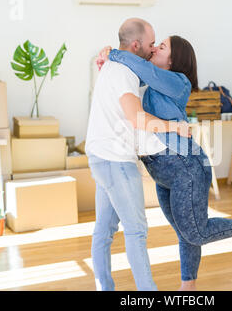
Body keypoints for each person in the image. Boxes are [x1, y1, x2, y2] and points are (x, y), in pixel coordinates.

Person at [98, 35, 232, 291]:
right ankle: (189, 284)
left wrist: (113, 53)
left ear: (173, 60)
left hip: (186, 168)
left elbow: (140, 67)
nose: (154, 48)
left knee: (196, 232)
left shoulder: (179, 82)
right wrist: (109, 61)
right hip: (163, 172)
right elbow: (131, 74)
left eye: (162, 46)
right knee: (185, 231)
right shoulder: (157, 79)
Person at [85, 18, 190, 291]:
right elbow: (137, 118)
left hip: (100, 155)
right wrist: (174, 127)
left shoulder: (114, 65)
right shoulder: (123, 72)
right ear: (136, 45)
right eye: (151, 43)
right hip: (115, 160)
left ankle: (104, 287)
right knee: (136, 230)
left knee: (104, 230)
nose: (153, 49)